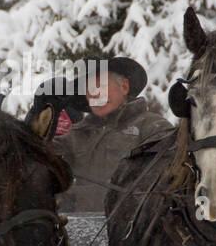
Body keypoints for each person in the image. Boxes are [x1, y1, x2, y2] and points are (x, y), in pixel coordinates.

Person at [36, 56, 170, 213]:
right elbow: (37, 158)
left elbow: (165, 187)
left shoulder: (154, 129)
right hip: (82, 233)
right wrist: (40, 113)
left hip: (133, 233)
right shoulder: (76, 134)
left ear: (124, 86)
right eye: (89, 89)